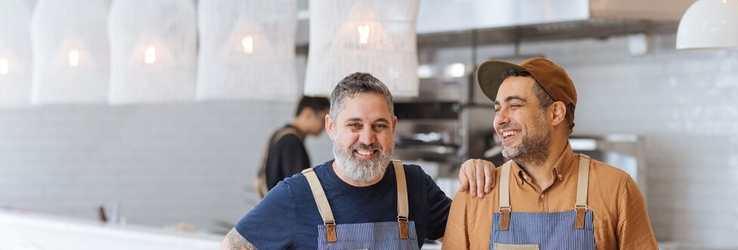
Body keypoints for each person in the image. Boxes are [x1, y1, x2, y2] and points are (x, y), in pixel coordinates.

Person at [221, 72, 495, 249]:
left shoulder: (414, 185)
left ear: (394, 127)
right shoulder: (297, 195)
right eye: (354, 125)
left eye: (379, 126)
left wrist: (478, 174)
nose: (367, 139)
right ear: (331, 126)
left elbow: (476, 238)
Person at [442, 58, 658, 249]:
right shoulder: (475, 196)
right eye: (497, 109)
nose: (500, 120)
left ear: (555, 113)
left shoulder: (616, 190)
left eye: (514, 105)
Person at [254, 96, 330, 198]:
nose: (325, 127)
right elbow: (299, 186)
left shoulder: (280, 134)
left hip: (271, 205)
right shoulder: (292, 141)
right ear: (308, 113)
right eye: (323, 119)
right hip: (283, 208)